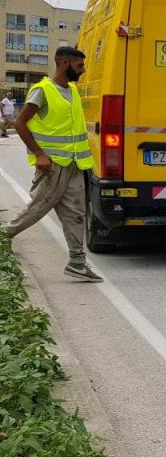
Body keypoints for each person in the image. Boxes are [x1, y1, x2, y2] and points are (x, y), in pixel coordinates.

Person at [4, 47, 102, 282]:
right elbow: (19, 123)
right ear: (64, 63)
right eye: (79, 66)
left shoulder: (73, 91)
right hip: (52, 165)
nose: (83, 70)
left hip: (74, 164)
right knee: (38, 207)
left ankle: (77, 263)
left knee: (76, 213)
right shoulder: (43, 91)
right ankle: (3, 235)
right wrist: (39, 154)